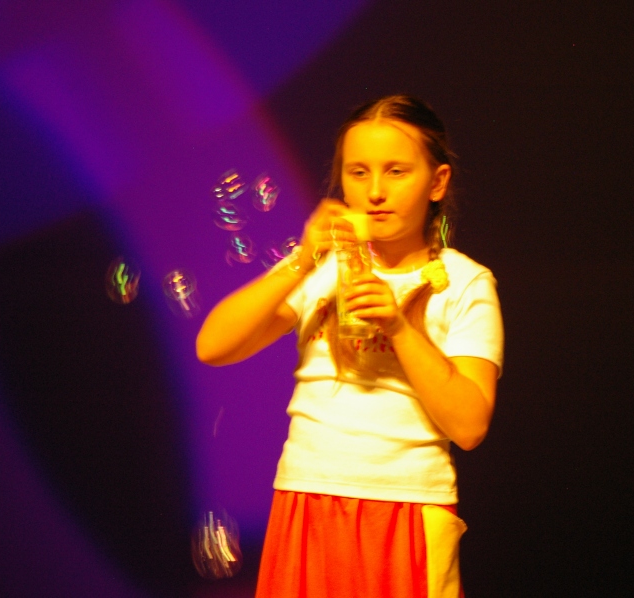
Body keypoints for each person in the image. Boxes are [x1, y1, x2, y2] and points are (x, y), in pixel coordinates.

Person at [196, 95, 504, 598]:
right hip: (306, 498)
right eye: (358, 173)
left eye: (396, 171)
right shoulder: (322, 269)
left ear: (438, 182)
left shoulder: (465, 283)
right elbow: (213, 346)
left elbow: (469, 426)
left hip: (406, 508)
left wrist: (399, 328)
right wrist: (303, 259)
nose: (375, 191)